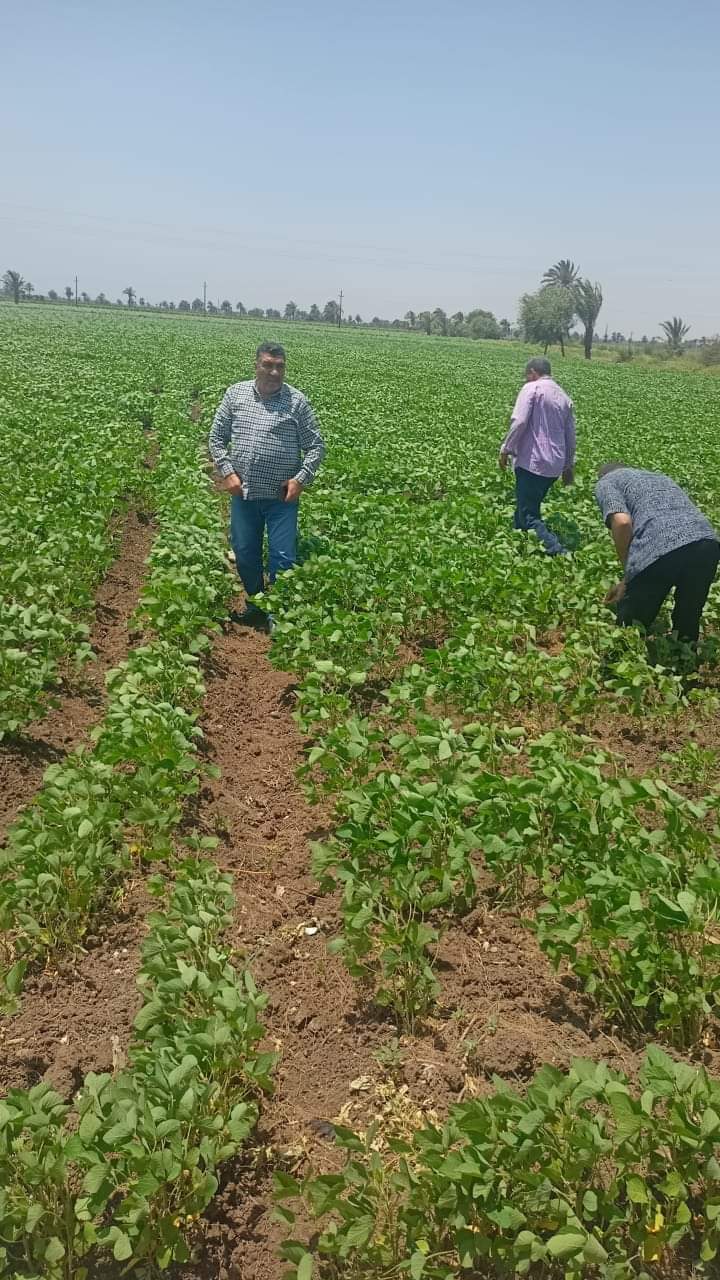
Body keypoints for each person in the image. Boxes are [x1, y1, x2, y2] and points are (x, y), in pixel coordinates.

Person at [208, 342, 325, 625]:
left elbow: (316, 447)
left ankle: (279, 615)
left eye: (280, 366)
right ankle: (257, 603)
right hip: (244, 494)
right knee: (245, 552)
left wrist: (301, 479)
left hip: (281, 497)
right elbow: (216, 438)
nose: (274, 372)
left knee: (283, 557)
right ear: (256, 365)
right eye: (268, 365)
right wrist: (228, 473)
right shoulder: (235, 394)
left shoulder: (297, 402)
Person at [595, 462, 720, 644]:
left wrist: (629, 573)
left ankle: (630, 654)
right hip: (706, 541)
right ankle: (685, 657)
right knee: (689, 612)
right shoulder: (659, 476)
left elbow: (622, 522)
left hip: (660, 544)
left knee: (630, 626)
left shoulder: (606, 482)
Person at [499, 357, 576, 556]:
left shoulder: (532, 388)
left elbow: (520, 421)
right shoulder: (563, 396)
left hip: (533, 462)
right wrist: (568, 466)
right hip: (554, 466)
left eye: (527, 375)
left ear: (533, 372)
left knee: (528, 514)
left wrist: (506, 449)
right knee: (526, 506)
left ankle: (558, 552)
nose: (526, 379)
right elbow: (570, 436)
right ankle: (518, 549)